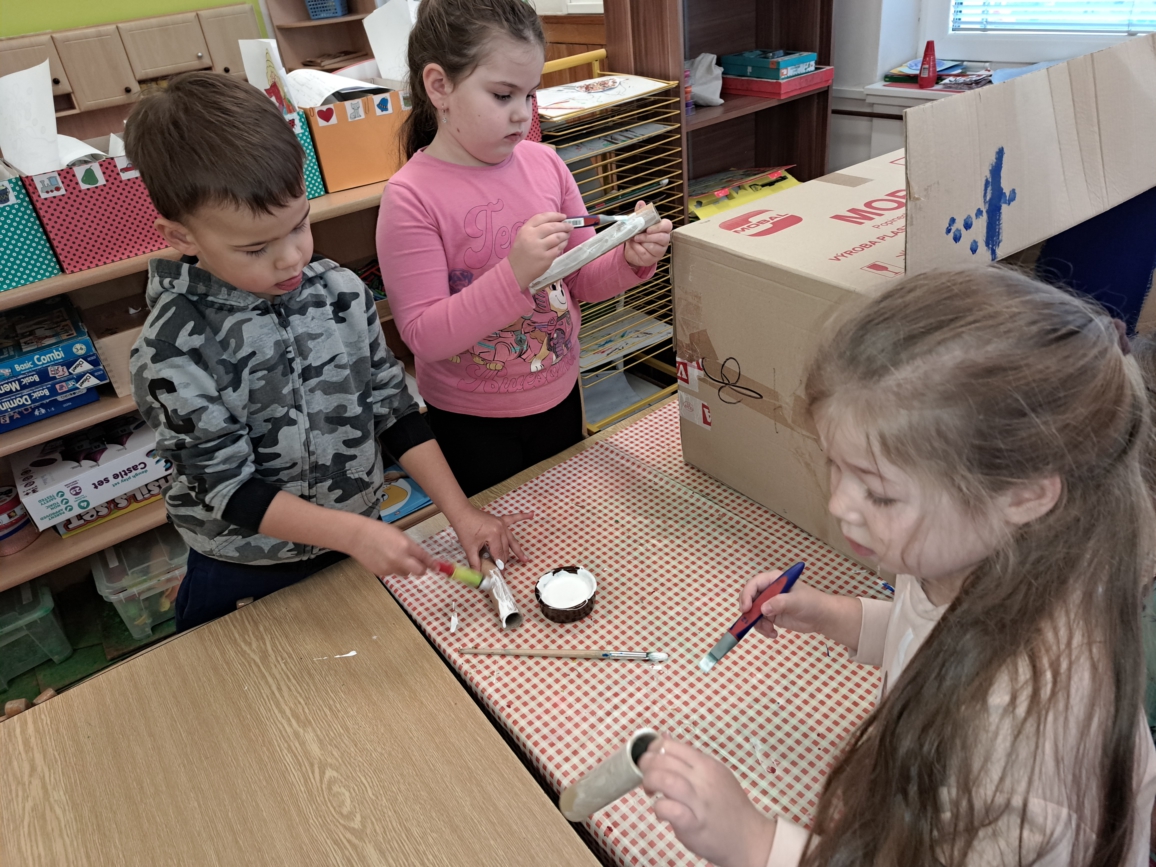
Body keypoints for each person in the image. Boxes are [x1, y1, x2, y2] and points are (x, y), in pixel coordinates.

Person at [639, 268, 1156, 866]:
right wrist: (836, 615)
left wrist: (757, 842)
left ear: (1023, 494)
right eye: (834, 464)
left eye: (879, 494)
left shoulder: (1020, 741)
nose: (839, 505)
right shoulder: (964, 554)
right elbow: (930, 636)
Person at [125, 72, 528, 631]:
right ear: (182, 237)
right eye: (255, 248)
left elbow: (393, 410)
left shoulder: (339, 291)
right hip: (244, 567)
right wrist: (354, 533)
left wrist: (459, 512)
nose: (291, 258)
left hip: (354, 542)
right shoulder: (172, 349)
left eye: (300, 225)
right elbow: (227, 487)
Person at [376, 0, 673, 496]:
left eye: (530, 94)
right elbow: (424, 336)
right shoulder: (410, 197)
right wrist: (513, 274)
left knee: (562, 514)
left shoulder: (546, 164)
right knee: (497, 526)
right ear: (440, 86)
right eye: (502, 95)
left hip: (559, 391)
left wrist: (629, 259)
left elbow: (581, 279)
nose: (523, 113)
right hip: (471, 418)